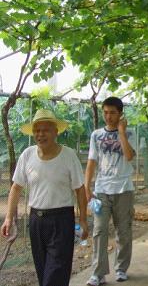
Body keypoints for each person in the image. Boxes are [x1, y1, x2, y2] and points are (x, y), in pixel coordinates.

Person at [1, 109, 88, 286]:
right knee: (43, 272)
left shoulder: (68, 156)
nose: (40, 134)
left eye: (45, 130)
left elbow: (80, 189)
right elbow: (16, 188)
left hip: (61, 220)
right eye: (37, 130)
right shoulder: (27, 155)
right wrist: (9, 218)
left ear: (56, 132)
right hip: (36, 221)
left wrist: (83, 220)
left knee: (55, 273)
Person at [85, 97, 136, 286]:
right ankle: (98, 273)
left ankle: (121, 268)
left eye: (112, 112)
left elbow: (129, 156)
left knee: (123, 231)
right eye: (105, 112)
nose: (108, 116)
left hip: (124, 189)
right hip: (101, 190)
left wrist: (121, 131)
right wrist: (86, 186)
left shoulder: (129, 133)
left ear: (120, 113)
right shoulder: (96, 135)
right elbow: (92, 161)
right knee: (99, 230)